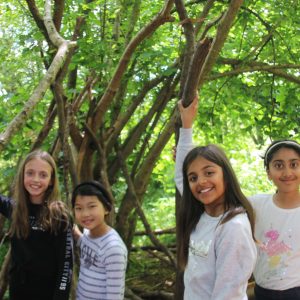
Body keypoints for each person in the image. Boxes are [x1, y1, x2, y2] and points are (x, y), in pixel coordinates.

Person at [174, 97, 257, 299]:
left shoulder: (233, 228)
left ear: (226, 176)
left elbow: (227, 293)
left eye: (209, 173)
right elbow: (180, 176)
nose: (201, 181)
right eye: (194, 178)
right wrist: (187, 126)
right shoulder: (201, 212)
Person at [0, 150, 73, 300]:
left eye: (43, 175)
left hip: (47, 292)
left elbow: (66, 264)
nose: (35, 179)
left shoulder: (59, 214)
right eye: (30, 173)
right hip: (18, 289)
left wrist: (60, 296)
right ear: (22, 176)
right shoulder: (15, 209)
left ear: (52, 180)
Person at [250, 140, 300, 300]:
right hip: (262, 292)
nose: (287, 173)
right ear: (268, 172)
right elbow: (213, 199)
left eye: (294, 164)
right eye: (279, 165)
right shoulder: (254, 204)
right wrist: (186, 163)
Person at [72, 180, 128, 300]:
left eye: (92, 206)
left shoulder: (113, 248)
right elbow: (87, 245)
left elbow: (115, 295)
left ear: (107, 208)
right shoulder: (88, 233)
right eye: (79, 208)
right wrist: (76, 233)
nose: (85, 214)